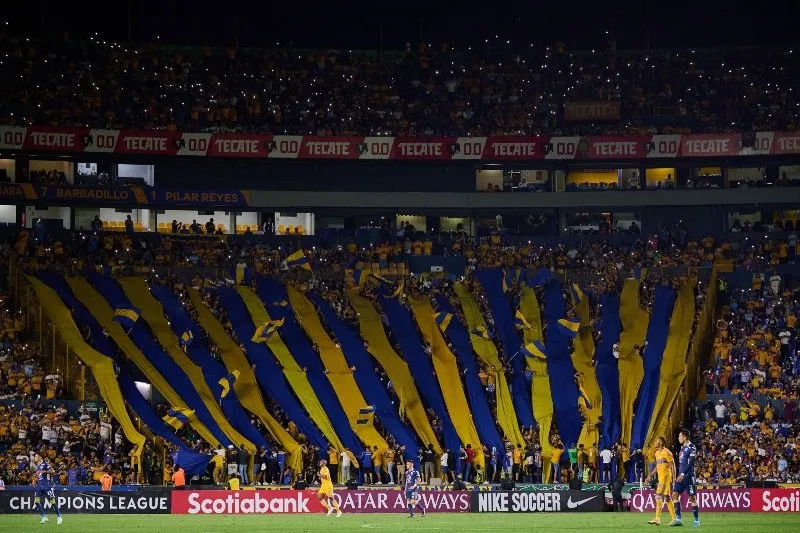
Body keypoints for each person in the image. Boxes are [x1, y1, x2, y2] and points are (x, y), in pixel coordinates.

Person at [671, 428, 700, 527]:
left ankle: (696, 521)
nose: (678, 438)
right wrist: (679, 474)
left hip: (688, 476)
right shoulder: (682, 448)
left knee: (692, 498)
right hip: (680, 477)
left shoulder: (692, 447)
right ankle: (678, 519)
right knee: (674, 495)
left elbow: (690, 463)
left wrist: (683, 474)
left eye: (680, 436)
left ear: (685, 437)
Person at [646, 436, 676, 526]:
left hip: (666, 477)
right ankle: (674, 519)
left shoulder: (667, 452)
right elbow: (657, 466)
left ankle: (657, 518)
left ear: (661, 442)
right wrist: (650, 475)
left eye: (656, 441)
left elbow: (673, 465)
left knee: (658, 495)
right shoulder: (657, 453)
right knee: (667, 497)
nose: (655, 443)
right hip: (661, 477)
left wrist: (674, 479)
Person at [33, 452, 63, 525]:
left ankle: (59, 516)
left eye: (36, 456)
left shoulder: (46, 464)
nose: (34, 458)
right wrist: (36, 479)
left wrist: (44, 471)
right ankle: (44, 517)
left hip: (47, 486)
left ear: (40, 457)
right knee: (36, 501)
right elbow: (40, 475)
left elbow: (53, 471)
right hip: (39, 486)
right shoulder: (38, 466)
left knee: (52, 502)